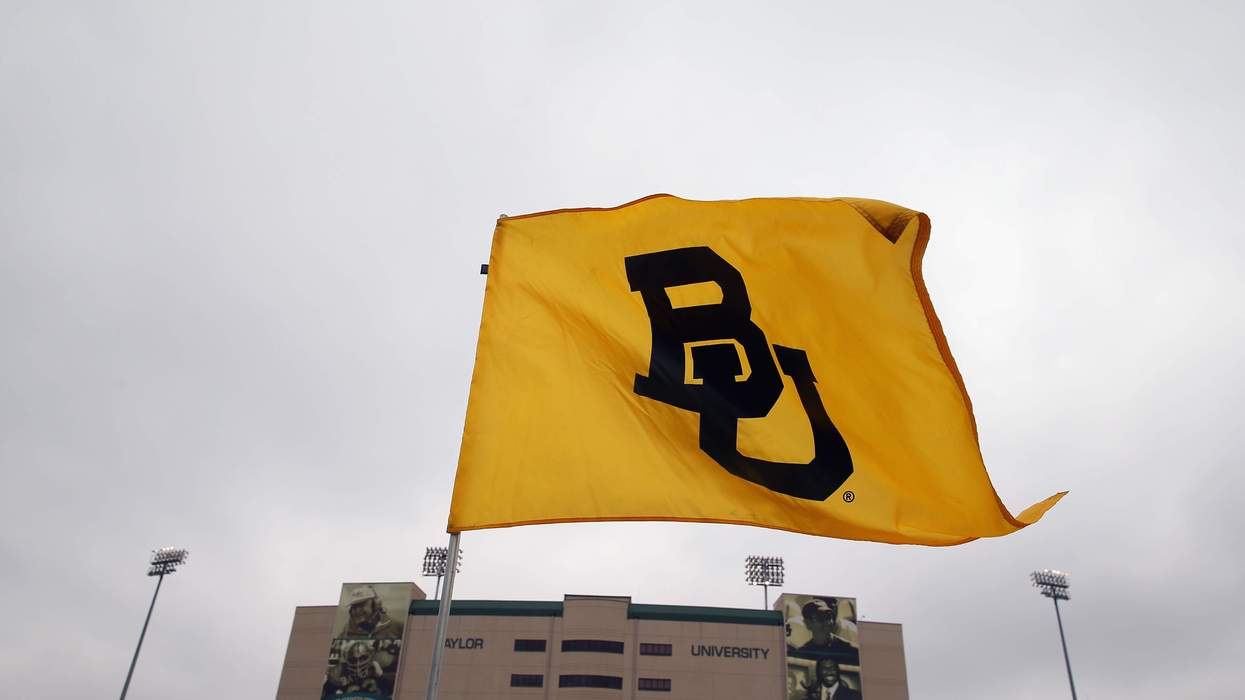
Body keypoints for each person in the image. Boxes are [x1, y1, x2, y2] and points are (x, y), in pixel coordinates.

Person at [791, 598, 857, 661]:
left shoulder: (849, 650)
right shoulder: (802, 654)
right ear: (808, 623)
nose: (827, 622)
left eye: (828, 616)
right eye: (820, 618)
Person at [340, 585, 405, 638]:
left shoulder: (396, 626)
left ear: (375, 605)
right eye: (354, 607)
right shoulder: (347, 630)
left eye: (361, 605)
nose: (357, 611)